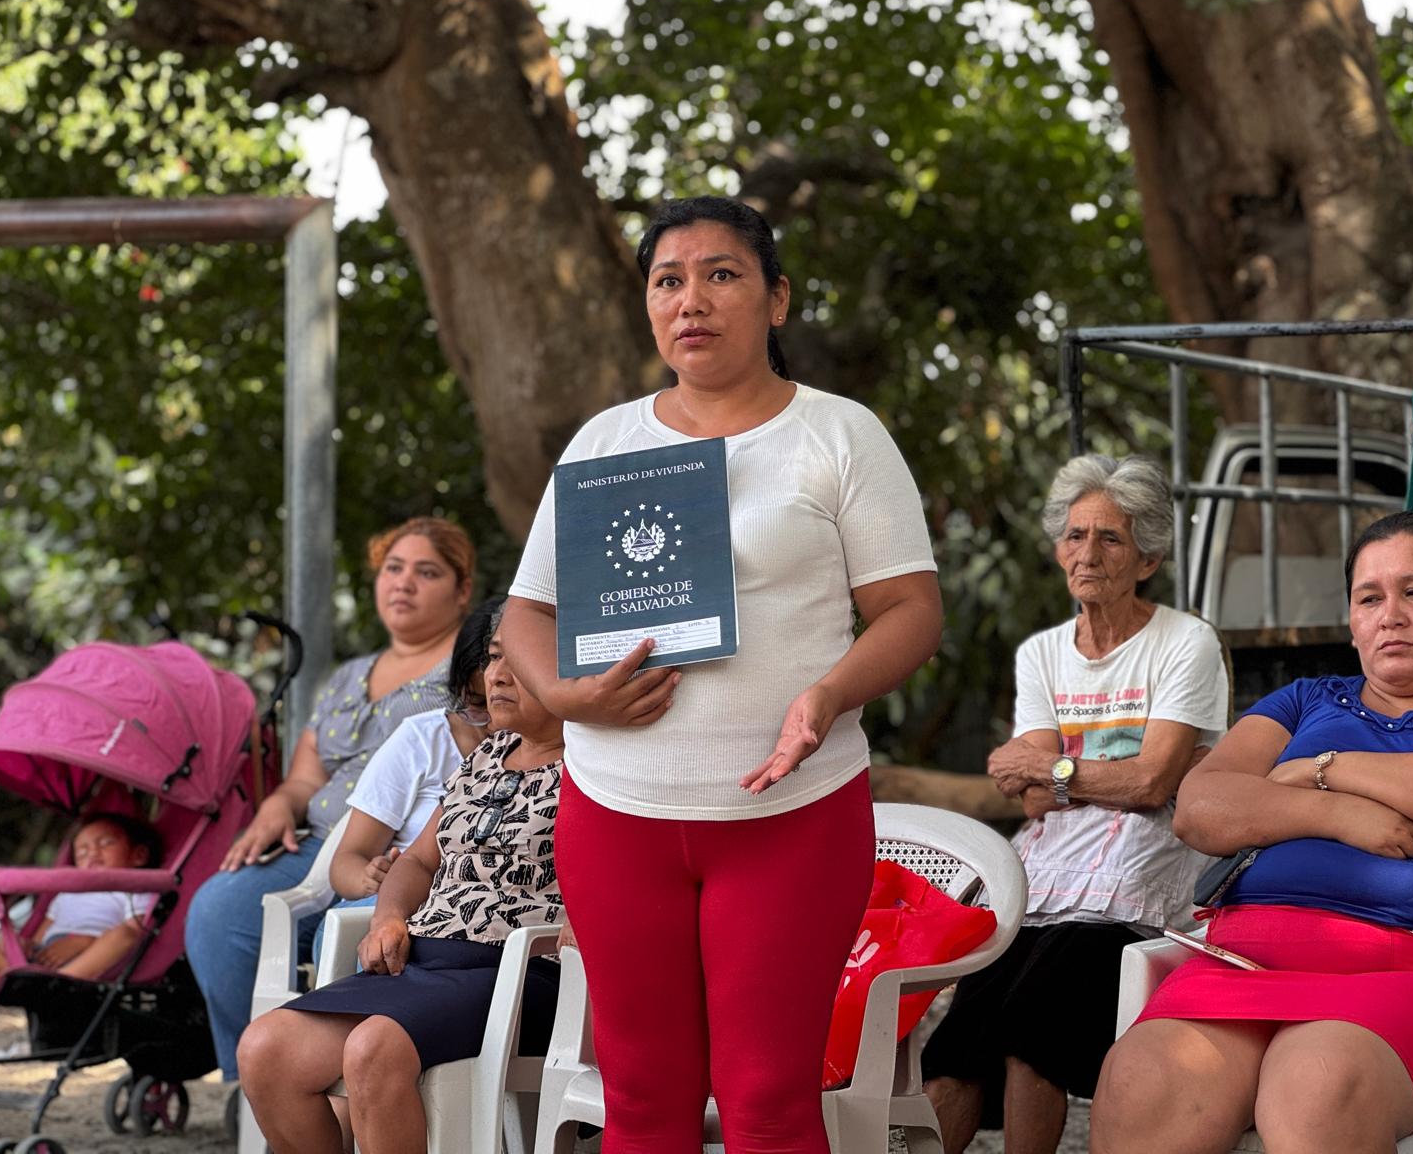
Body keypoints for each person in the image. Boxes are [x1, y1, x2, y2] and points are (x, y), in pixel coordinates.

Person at [502, 195, 942, 1154]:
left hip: (790, 817)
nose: (691, 300)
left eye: (721, 275)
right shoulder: (605, 444)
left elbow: (911, 609)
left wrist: (827, 695)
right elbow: (526, 611)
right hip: (615, 815)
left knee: (769, 1104)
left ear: (776, 299)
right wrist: (567, 699)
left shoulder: (839, 433)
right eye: (668, 281)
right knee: (641, 1101)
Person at [1091, 510, 1413, 1154]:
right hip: (1246, 966)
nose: (1390, 616)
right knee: (1141, 1080)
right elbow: (1200, 807)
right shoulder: (1305, 700)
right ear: (1352, 621)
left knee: (1316, 1081)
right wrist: (1340, 814)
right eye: (1370, 598)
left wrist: (1324, 770)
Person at [920, 454, 1228, 1154]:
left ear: (1147, 559)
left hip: (1137, 889)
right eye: (1076, 535)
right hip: (1045, 882)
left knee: (1033, 1028)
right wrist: (1103, 775)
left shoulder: (1185, 642)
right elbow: (1033, 801)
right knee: (960, 1041)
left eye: (1111, 538)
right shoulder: (1042, 654)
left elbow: (1150, 786)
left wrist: (1057, 768)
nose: (1088, 553)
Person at [236, 608, 564, 1154]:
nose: (498, 675)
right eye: (493, 657)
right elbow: (416, 863)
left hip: (521, 972)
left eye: (520, 660)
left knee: (373, 1047)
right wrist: (388, 918)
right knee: (266, 1048)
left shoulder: (597, 765)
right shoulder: (486, 756)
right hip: (424, 961)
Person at [185, 515, 474, 1081]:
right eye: (393, 568)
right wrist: (279, 803)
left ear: (462, 590)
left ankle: (328, 1086)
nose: (403, 583)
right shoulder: (348, 675)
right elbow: (305, 777)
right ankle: (252, 1085)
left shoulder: (469, 672)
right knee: (217, 912)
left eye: (426, 572)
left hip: (394, 848)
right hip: (317, 841)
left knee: (339, 937)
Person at [326, 601, 499, 906]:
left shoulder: (557, 752)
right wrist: (369, 877)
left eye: (507, 702)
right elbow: (346, 861)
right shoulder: (423, 740)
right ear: (458, 692)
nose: (495, 721)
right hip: (394, 906)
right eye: (477, 704)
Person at [0, 813, 162, 994]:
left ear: (139, 855)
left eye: (106, 843)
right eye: (82, 851)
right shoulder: (67, 894)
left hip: (91, 960)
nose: (93, 853)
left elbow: (135, 933)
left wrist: (83, 942)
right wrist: (26, 946)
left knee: (125, 934)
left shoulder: (136, 890)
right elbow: (39, 938)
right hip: (44, 962)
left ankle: (57, 986)